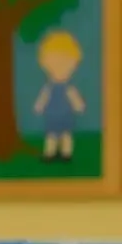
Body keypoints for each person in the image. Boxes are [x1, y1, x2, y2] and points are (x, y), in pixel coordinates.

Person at [34, 30, 85, 162]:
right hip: (52, 115)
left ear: (74, 65)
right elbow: (43, 98)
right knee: (51, 135)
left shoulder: (68, 87)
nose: (59, 68)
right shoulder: (49, 87)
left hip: (65, 114)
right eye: (54, 63)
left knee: (65, 135)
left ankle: (66, 153)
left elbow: (75, 99)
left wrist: (78, 106)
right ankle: (50, 153)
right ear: (44, 64)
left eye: (65, 63)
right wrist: (39, 107)